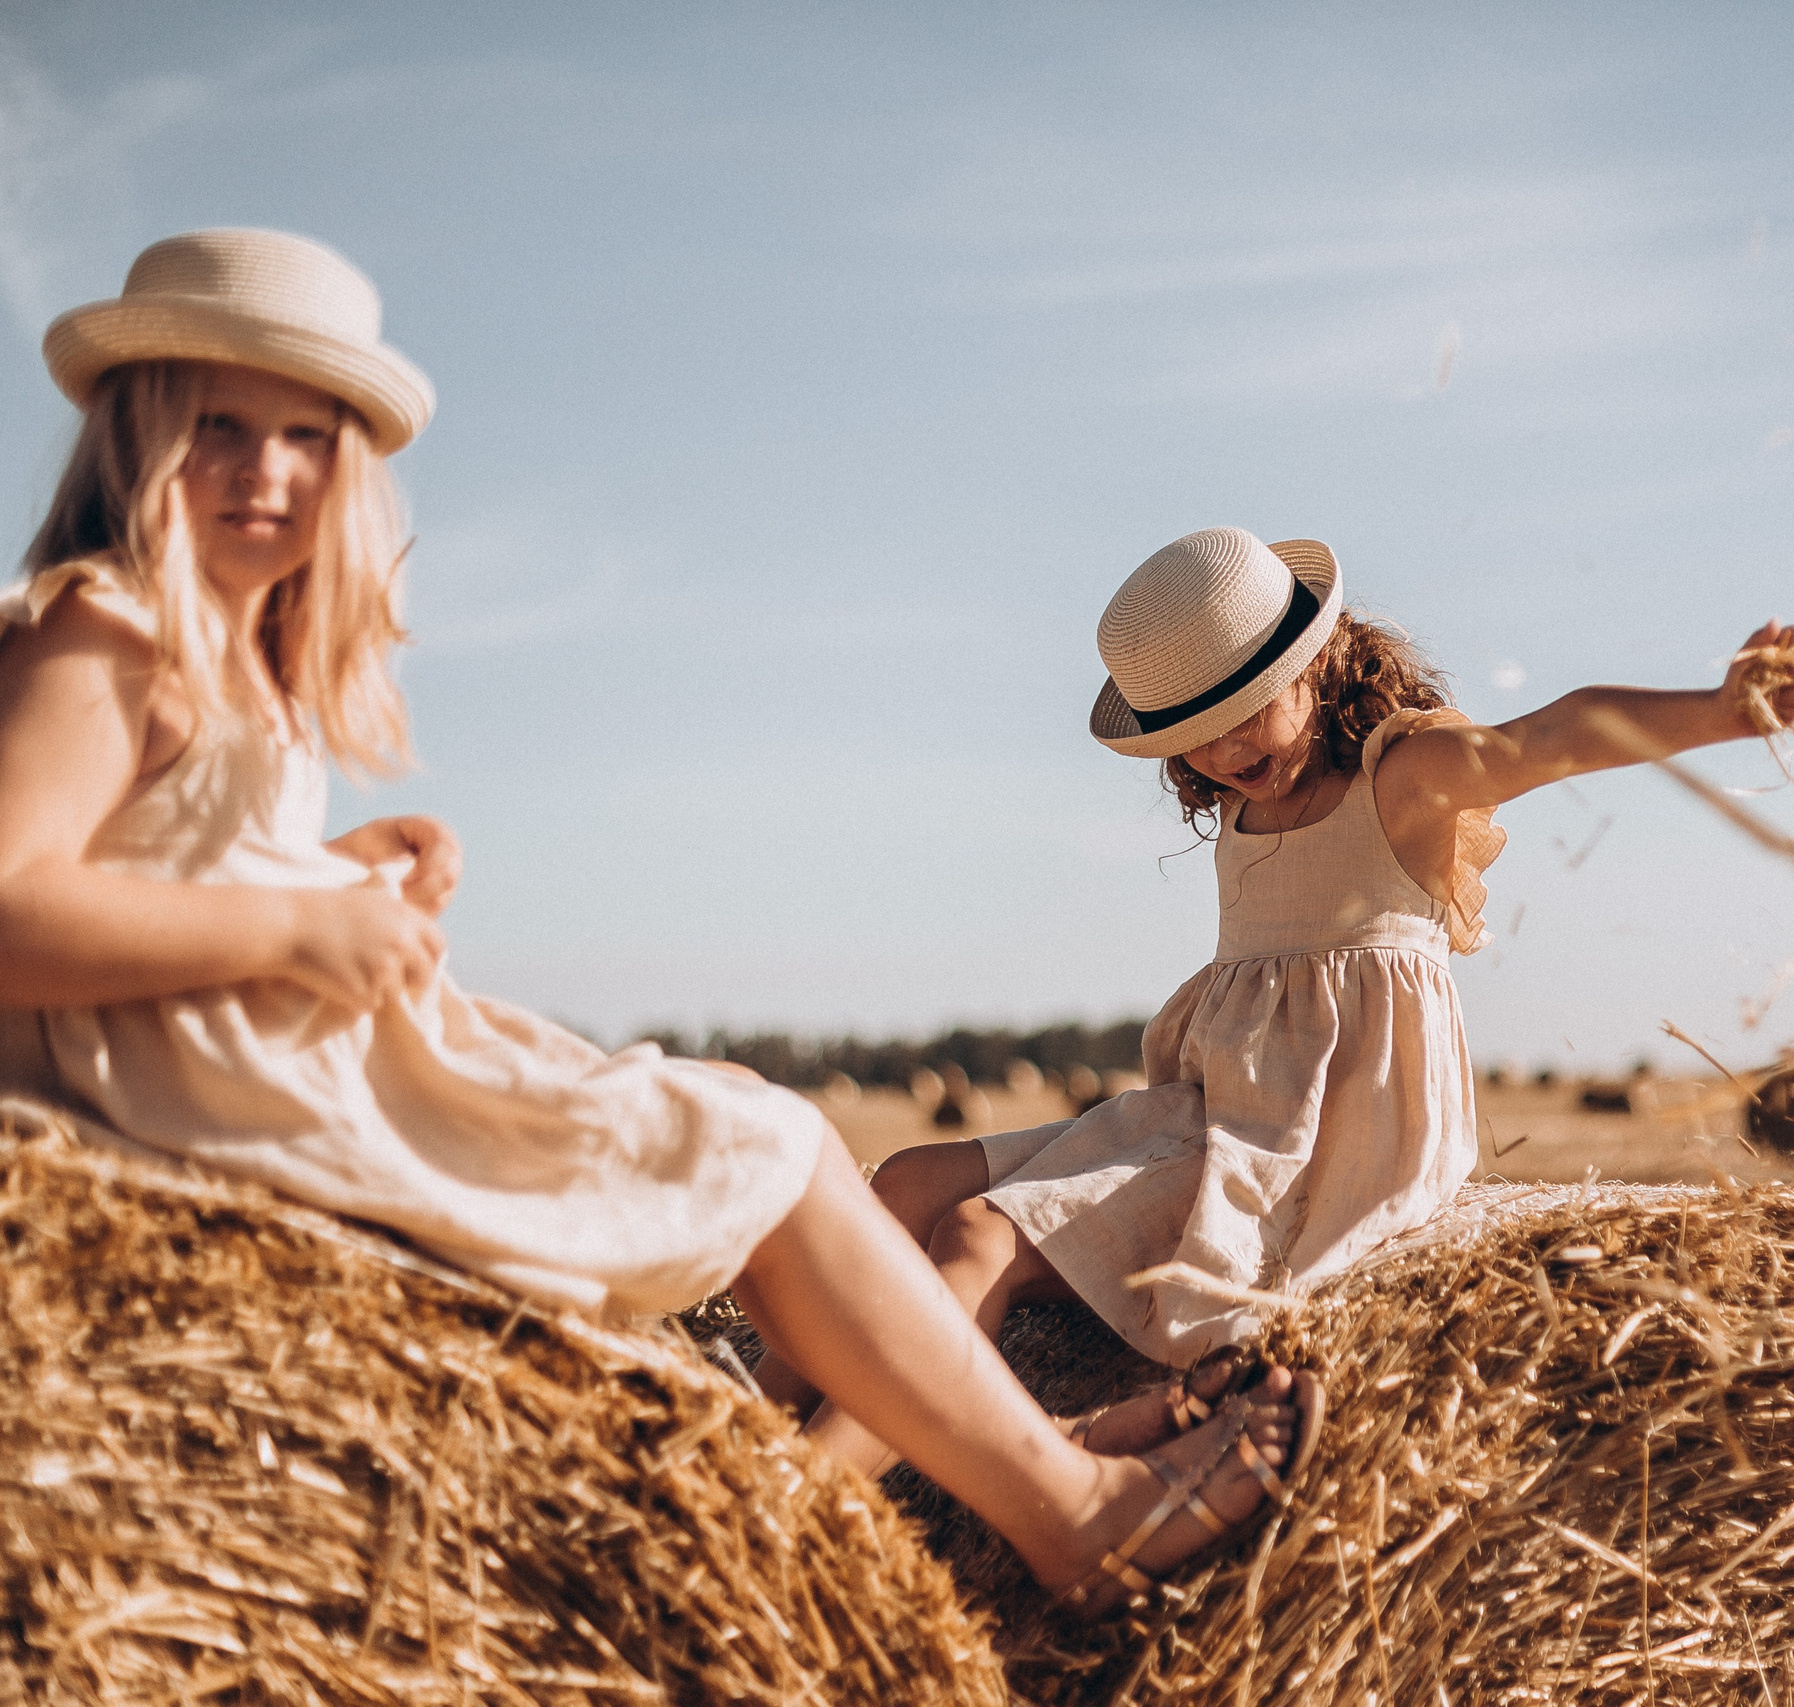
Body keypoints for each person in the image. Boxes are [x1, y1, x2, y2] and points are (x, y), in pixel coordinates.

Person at [0, 229, 1314, 1615]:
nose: (265, 471)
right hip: (206, 1113)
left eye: (302, 437)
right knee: (780, 1145)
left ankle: (1009, 1444)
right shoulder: (103, 629)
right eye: (217, 428)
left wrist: (334, 871)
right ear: (136, 441)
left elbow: (157, 858)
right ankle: (1070, 1515)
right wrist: (296, 935)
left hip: (241, 1076)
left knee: (743, 1102)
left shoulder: (213, 655)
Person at [828, 525, 1794, 1456]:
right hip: (1218, 1113)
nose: (1220, 755)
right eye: (1191, 735)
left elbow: (1550, 735)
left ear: (1315, 660)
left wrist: (1718, 710)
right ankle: (745, 1446)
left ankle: (813, 1502)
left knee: (973, 1234)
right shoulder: (1241, 805)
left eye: (1240, 711)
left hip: (1322, 1138)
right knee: (904, 1181)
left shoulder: (1402, 775)